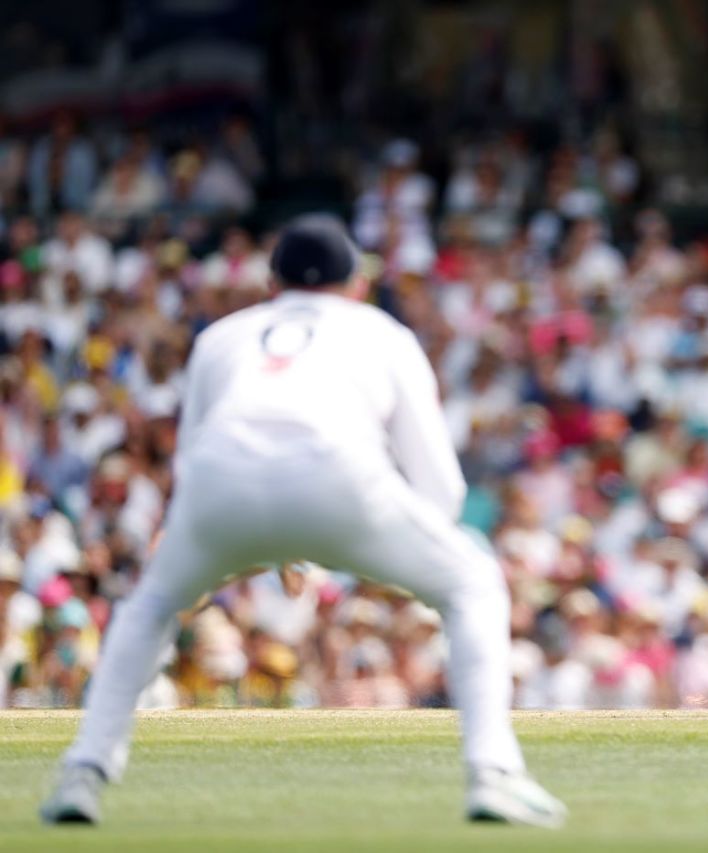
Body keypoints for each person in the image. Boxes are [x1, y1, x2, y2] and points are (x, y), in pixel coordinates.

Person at [39, 215, 566, 828]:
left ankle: (84, 771)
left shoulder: (222, 336)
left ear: (272, 285)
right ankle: (494, 773)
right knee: (474, 584)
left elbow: (191, 464)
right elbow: (441, 488)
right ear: (357, 286)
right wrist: (379, 548)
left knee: (148, 607)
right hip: (341, 478)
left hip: (220, 488)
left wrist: (248, 545)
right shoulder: (383, 333)